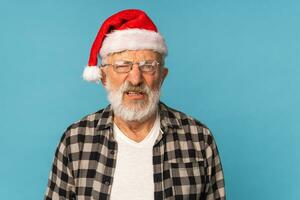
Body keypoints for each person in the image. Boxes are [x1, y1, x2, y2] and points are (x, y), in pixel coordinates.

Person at [45, 9, 226, 200]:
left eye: (148, 66)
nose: (135, 78)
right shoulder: (76, 140)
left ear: (162, 77)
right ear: (104, 77)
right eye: (122, 65)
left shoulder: (198, 138)